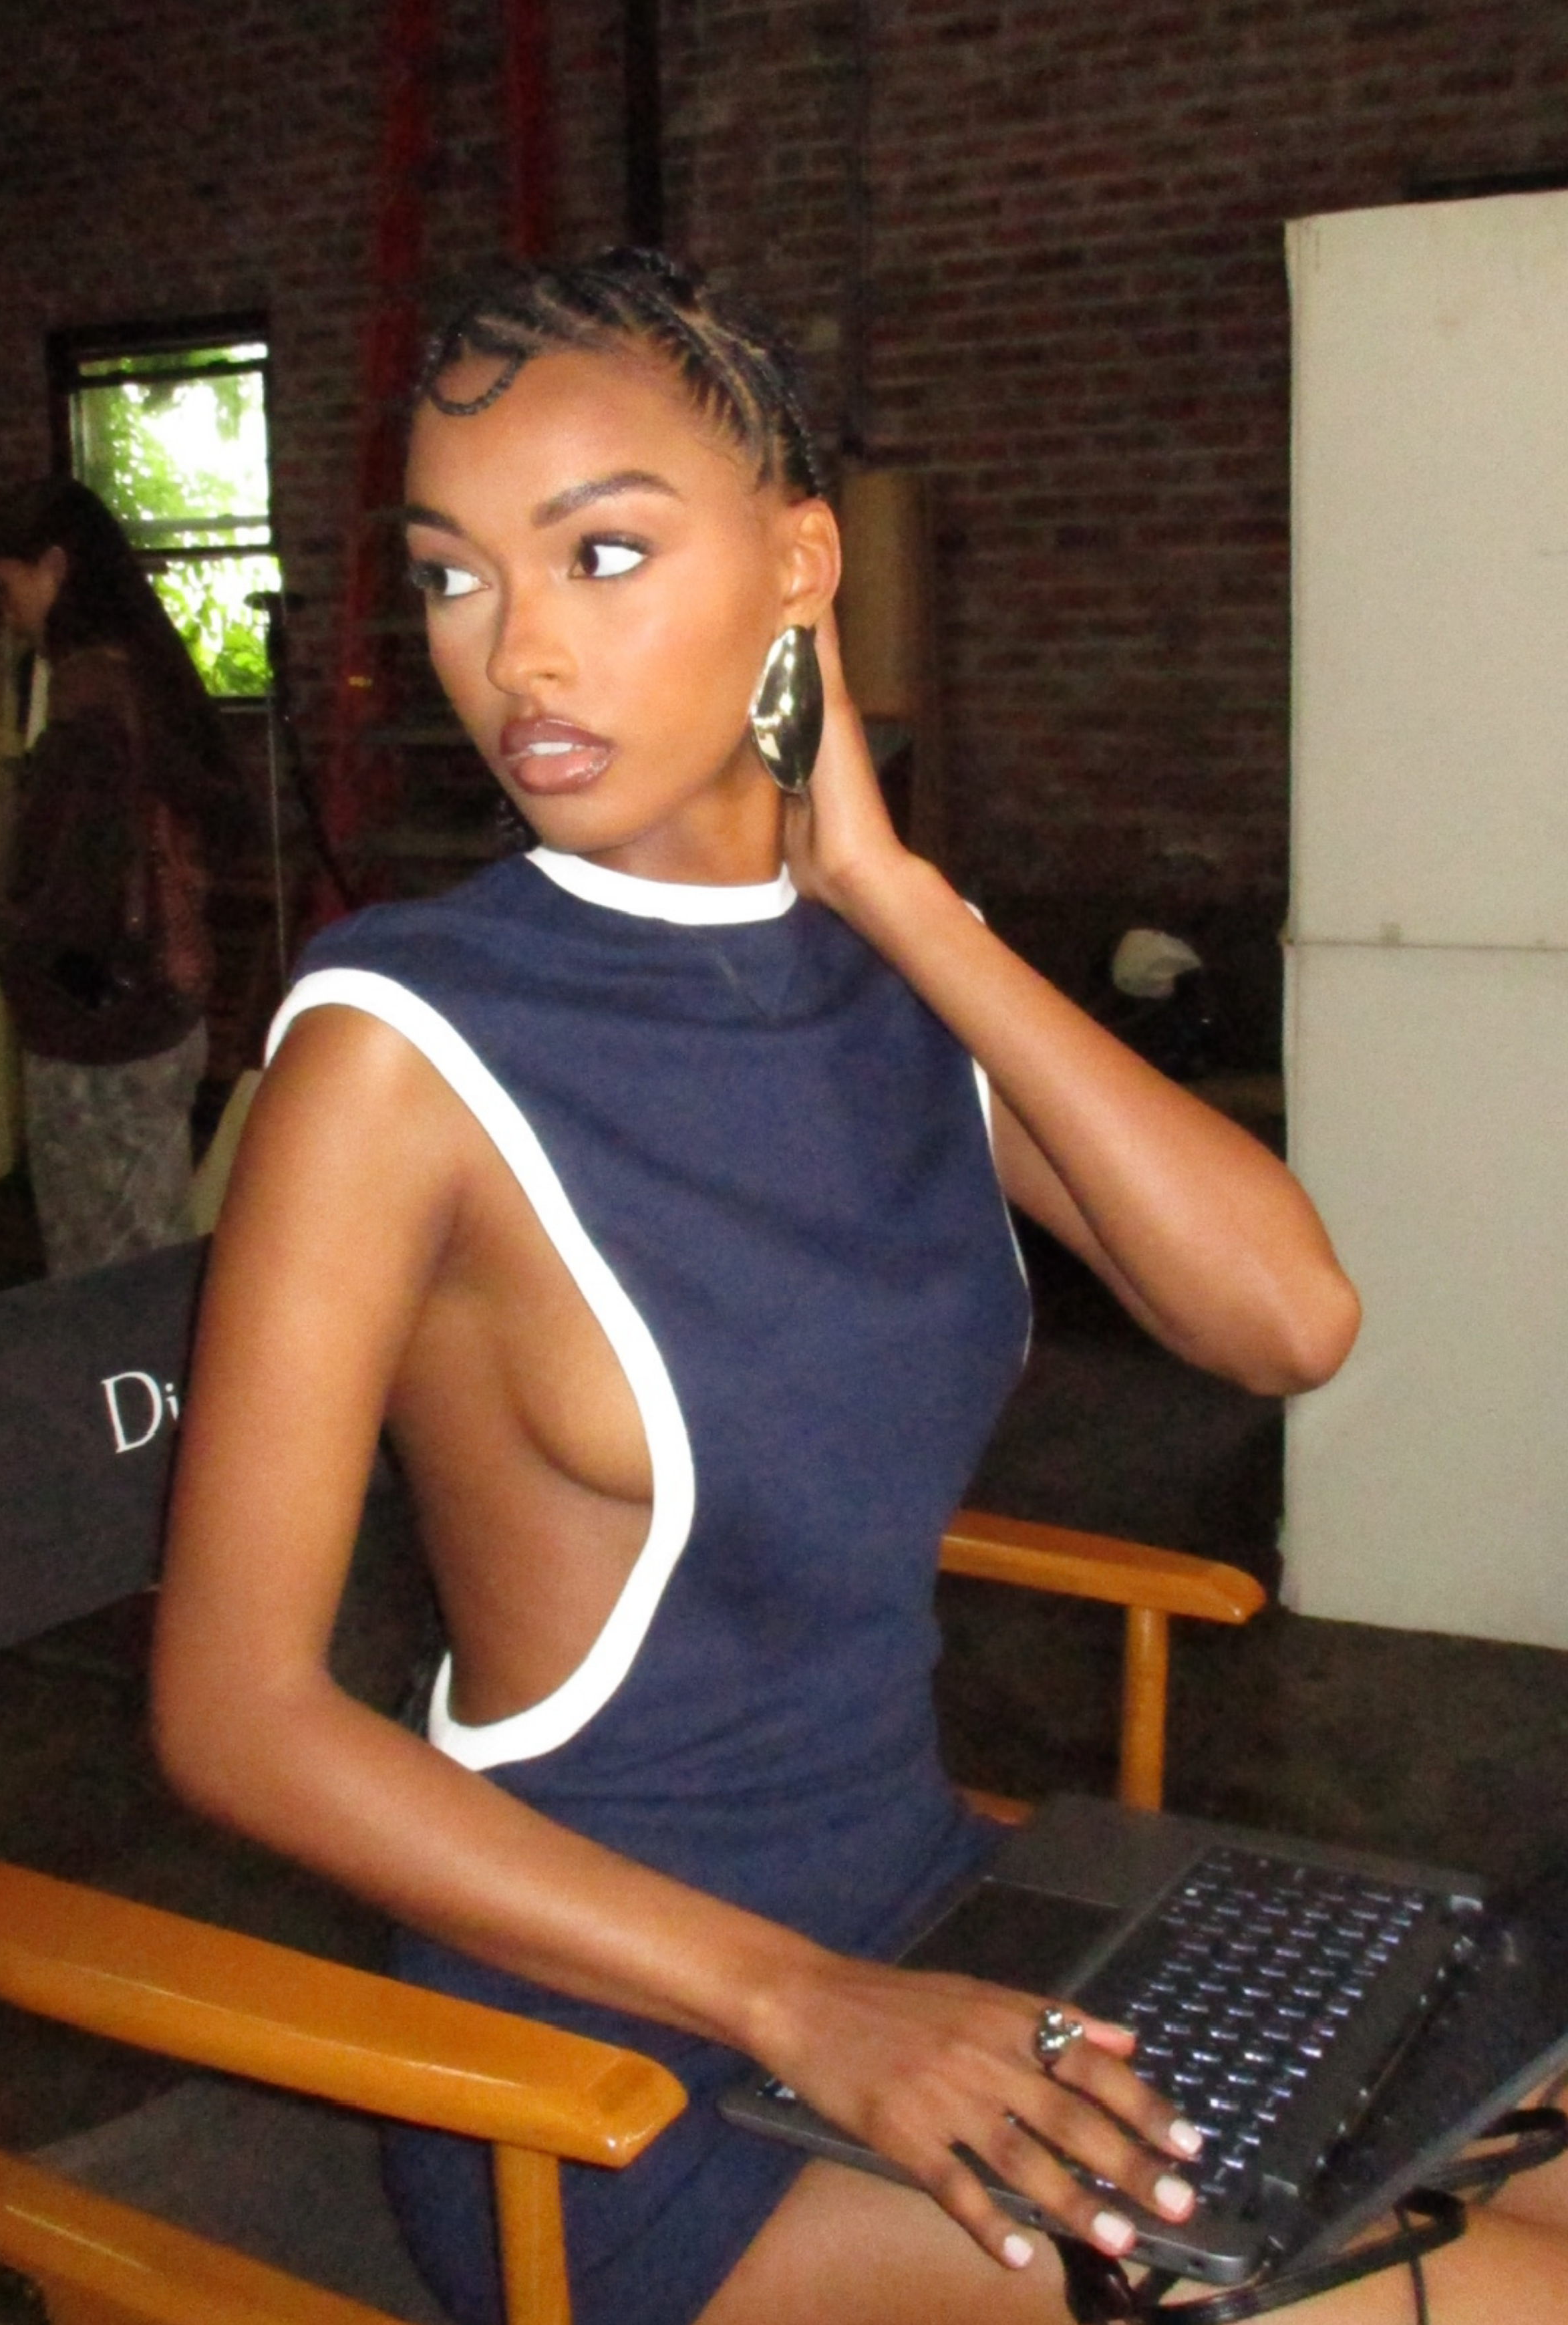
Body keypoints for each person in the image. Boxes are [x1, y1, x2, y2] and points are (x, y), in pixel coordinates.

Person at [152, 252, 1568, 2324]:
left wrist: (902, 899)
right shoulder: (397, 1042)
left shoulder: (880, 957)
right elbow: (236, 1713)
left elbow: (1283, 1318)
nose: (518, 651)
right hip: (618, 2082)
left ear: (797, 564)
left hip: (929, 1921)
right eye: (455, 577)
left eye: (604, 552)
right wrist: (801, 2001)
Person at [0, 477, 243, 1276]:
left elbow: (63, 899)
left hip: (103, 1023)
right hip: (161, 1002)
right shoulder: (144, 675)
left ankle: (143, 1399)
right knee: (151, 1244)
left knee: (107, 1270)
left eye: (6, 583)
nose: (3, 607)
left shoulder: (88, 695)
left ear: (53, 567)